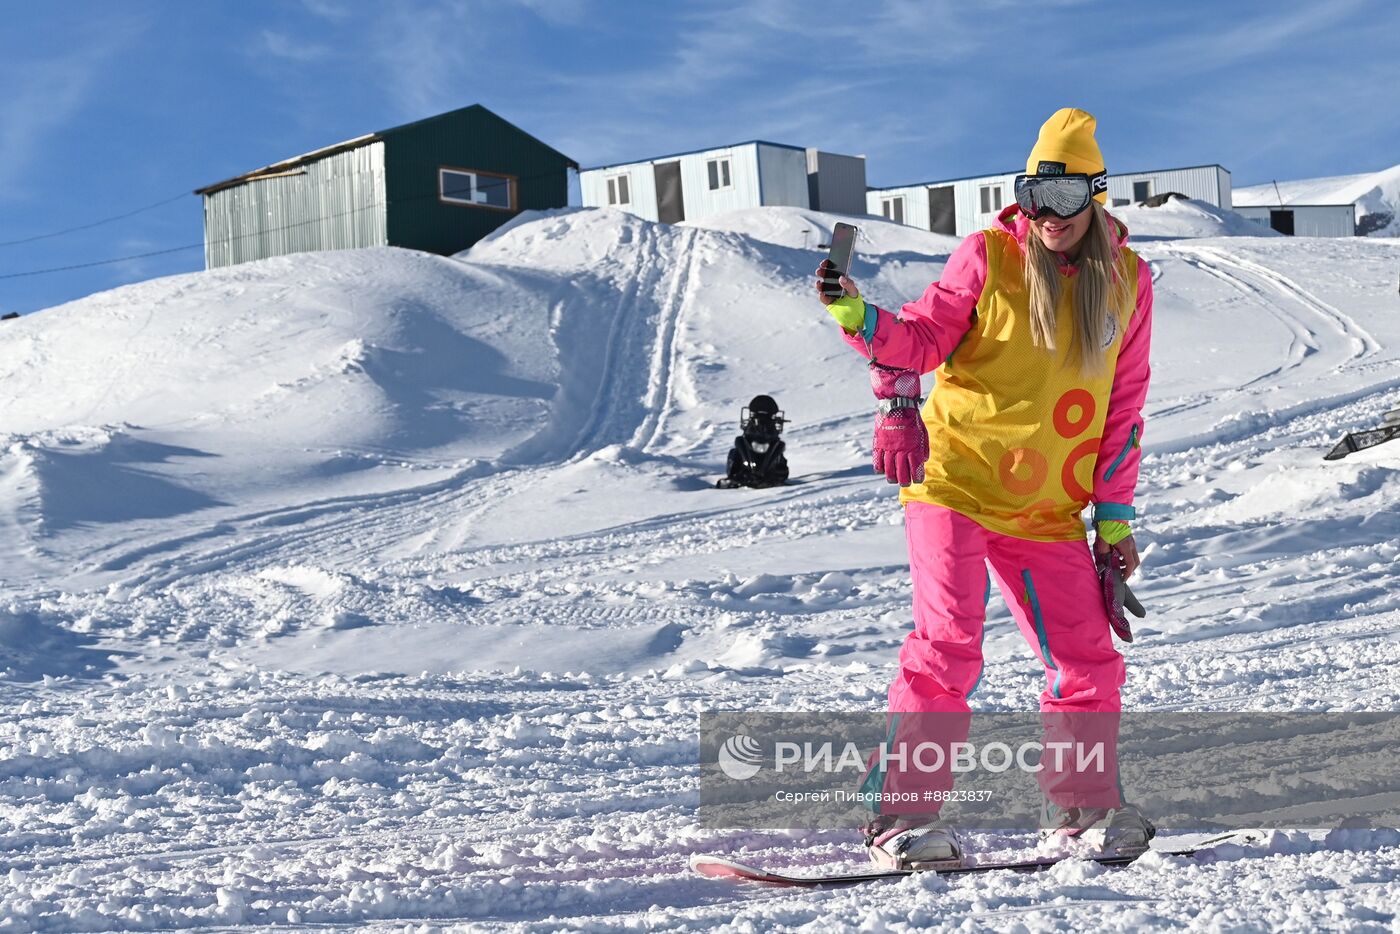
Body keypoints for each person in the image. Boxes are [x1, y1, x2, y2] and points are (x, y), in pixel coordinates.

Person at [815, 108, 1154, 870]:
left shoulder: (1130, 281)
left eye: (1064, 199)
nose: (1045, 216)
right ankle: (898, 819)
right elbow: (924, 335)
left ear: (1095, 198)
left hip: (1049, 508)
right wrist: (856, 314)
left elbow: (1123, 403)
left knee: (1087, 660)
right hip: (956, 482)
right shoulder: (990, 255)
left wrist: (1115, 519)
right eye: (1032, 195)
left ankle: (1080, 809)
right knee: (948, 648)